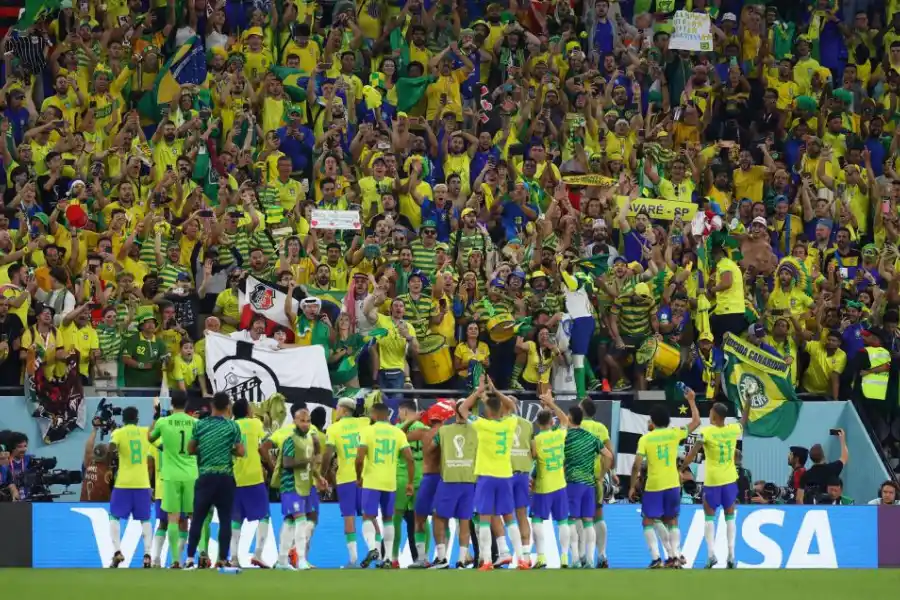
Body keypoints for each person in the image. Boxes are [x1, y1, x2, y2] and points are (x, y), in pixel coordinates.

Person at [458, 377, 526, 571]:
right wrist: (495, 391)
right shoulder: (510, 423)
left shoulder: (482, 425)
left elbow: (463, 410)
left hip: (486, 477)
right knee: (509, 517)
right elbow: (511, 405)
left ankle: (486, 560)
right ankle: (521, 558)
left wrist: (478, 392)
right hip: (505, 475)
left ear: (487, 411)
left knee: (485, 518)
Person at [629, 388, 700, 568]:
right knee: (672, 520)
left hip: (654, 485)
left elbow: (637, 464)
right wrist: (691, 400)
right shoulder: (674, 433)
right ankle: (674, 555)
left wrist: (631, 486)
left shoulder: (645, 439)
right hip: (673, 485)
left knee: (647, 519)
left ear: (652, 421)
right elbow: (697, 422)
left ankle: (656, 558)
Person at [184, 393, 244, 569]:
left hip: (205, 476)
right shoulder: (233, 427)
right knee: (225, 519)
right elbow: (241, 451)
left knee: (198, 519)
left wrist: (205, 450)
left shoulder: (200, 425)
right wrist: (228, 449)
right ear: (227, 407)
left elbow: (190, 449)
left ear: (211, 405)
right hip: (225, 478)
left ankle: (189, 559)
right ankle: (222, 559)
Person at [682, 402, 746, 569]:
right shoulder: (732, 430)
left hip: (713, 481)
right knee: (730, 517)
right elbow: (744, 421)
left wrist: (681, 468)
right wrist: (748, 403)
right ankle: (731, 555)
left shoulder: (706, 432)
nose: (709, 414)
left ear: (715, 416)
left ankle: (711, 555)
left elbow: (693, 452)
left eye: (710, 412)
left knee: (709, 517)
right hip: (730, 479)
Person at [355, 402, 414, 569]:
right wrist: (409, 482)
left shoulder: (367, 431)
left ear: (373, 415)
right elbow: (409, 458)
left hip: (372, 481)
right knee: (388, 519)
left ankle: (373, 548)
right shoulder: (397, 432)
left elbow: (359, 458)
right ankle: (388, 558)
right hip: (390, 482)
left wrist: (359, 476)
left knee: (368, 516)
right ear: (388, 415)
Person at [148, 394, 198, 569]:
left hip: (170, 476)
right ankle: (191, 558)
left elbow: (150, 438)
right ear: (186, 404)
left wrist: (156, 417)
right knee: (194, 518)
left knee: (172, 518)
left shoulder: (163, 422)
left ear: (172, 403)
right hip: (191, 474)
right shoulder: (195, 423)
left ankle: (175, 560)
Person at [563, 404, 613, 568]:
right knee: (591, 520)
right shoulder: (595, 433)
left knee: (572, 520)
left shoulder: (567, 435)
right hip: (591, 483)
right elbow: (609, 454)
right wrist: (601, 475)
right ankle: (594, 558)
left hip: (572, 483)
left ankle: (577, 558)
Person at [322, 398, 370, 568]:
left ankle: (353, 559)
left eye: (337, 408)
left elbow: (327, 455)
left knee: (349, 517)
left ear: (342, 410)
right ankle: (375, 550)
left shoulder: (334, 429)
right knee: (369, 516)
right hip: (366, 477)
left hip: (345, 478)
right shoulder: (364, 422)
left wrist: (322, 475)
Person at [273, 404, 324, 571]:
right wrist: (307, 462)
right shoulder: (290, 440)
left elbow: (310, 464)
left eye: (308, 421)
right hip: (291, 485)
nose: (306, 424)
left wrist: (319, 477)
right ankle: (301, 559)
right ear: (295, 421)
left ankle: (282, 560)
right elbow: (287, 463)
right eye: (302, 421)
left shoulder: (309, 438)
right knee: (301, 521)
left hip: (305, 485)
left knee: (290, 521)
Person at [108, 406, 153, 568]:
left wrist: (113, 448)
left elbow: (111, 448)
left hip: (123, 483)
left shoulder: (118, 433)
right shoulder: (144, 432)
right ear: (137, 418)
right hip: (142, 483)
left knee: (114, 516)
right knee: (145, 519)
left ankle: (117, 551)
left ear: (123, 419)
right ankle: (147, 554)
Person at [530, 392, 570, 569]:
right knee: (562, 521)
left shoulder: (536, 440)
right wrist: (551, 404)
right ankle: (564, 557)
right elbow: (565, 421)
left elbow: (532, 457)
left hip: (543, 486)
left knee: (537, 520)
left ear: (538, 424)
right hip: (560, 484)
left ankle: (541, 557)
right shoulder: (559, 435)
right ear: (551, 422)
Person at [229, 399, 271, 569]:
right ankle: (258, 554)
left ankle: (233, 557)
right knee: (264, 515)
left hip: (234, 478)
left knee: (236, 519)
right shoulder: (255, 423)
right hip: (254, 477)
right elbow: (262, 447)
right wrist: (270, 464)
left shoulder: (230, 426)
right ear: (247, 411)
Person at [796, 430, 849, 504]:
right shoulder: (833, 469)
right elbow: (845, 457)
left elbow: (799, 499)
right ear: (823, 456)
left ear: (811, 458)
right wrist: (842, 439)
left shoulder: (805, 475)